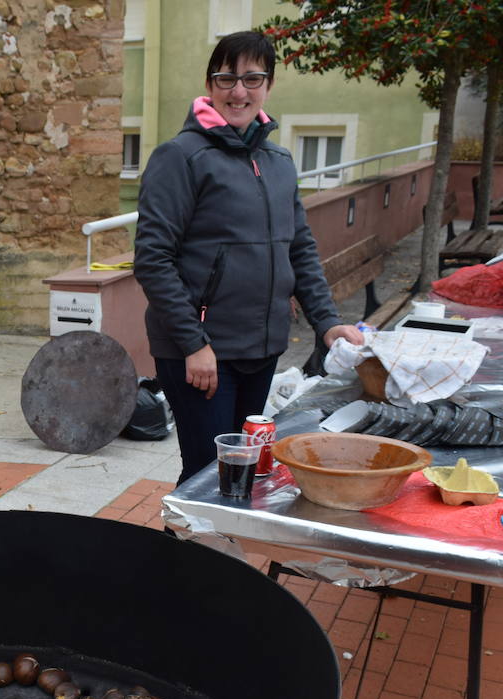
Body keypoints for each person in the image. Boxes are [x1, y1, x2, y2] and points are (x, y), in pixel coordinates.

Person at [133, 30, 364, 486]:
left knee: (240, 474)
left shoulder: (278, 161)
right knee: (205, 476)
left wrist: (327, 321)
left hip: (261, 349)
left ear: (268, 85)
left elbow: (299, 246)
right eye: (227, 78)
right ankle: (182, 556)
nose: (238, 91)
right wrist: (193, 344)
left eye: (252, 79)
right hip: (201, 354)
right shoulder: (180, 157)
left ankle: (217, 553)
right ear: (210, 83)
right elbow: (152, 259)